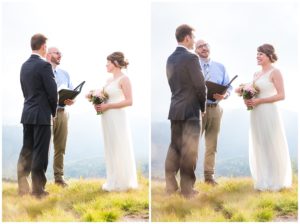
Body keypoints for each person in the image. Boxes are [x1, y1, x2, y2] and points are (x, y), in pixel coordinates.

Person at [242, 44, 292, 191]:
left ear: (269, 56)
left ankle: (276, 181)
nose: (257, 57)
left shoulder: (275, 72)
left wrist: (260, 101)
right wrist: (247, 98)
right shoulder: (255, 74)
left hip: (269, 111)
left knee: (271, 144)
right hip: (256, 113)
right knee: (260, 144)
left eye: (260, 54)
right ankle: (263, 180)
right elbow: (253, 92)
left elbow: (281, 95)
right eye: (257, 54)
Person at [165, 24, 207, 198]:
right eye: (194, 38)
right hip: (190, 111)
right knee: (190, 151)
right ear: (187, 38)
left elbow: (172, 84)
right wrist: (202, 107)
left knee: (174, 148)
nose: (195, 41)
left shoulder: (169, 59)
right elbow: (200, 86)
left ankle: (170, 187)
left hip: (175, 109)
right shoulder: (191, 58)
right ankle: (187, 191)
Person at [18, 33, 57, 198]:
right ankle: (38, 191)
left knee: (26, 151)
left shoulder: (24, 65)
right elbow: (52, 93)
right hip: (41, 115)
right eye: (46, 46)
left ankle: (22, 188)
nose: (46, 49)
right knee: (40, 153)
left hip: (27, 113)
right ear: (42, 46)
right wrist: (53, 112)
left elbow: (25, 91)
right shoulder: (45, 66)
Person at [94, 52, 138, 191]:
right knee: (111, 146)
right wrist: (97, 101)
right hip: (106, 117)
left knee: (119, 145)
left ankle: (123, 181)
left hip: (117, 116)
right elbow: (105, 98)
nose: (106, 65)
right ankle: (112, 179)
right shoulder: (108, 81)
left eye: (108, 62)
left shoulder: (124, 79)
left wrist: (108, 106)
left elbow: (129, 101)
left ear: (116, 64)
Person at [195, 39, 232, 185]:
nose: (203, 48)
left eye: (206, 45)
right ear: (195, 50)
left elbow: (228, 87)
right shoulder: (193, 66)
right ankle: (189, 178)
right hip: (197, 109)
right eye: (200, 46)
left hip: (215, 109)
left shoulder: (220, 67)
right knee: (193, 144)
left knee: (212, 145)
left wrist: (225, 95)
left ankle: (209, 178)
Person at [46, 47, 74, 187]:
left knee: (60, 147)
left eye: (60, 54)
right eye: (57, 53)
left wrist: (71, 100)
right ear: (48, 55)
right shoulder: (42, 71)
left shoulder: (65, 74)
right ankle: (39, 180)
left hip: (62, 113)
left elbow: (71, 92)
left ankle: (59, 178)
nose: (60, 55)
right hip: (46, 113)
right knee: (44, 147)